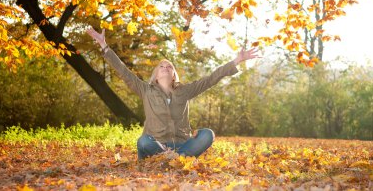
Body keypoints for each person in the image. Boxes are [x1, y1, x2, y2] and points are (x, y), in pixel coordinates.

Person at [87, 27, 260, 160]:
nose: (165, 68)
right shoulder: (145, 90)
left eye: (169, 66)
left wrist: (237, 60)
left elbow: (210, 79)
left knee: (208, 134)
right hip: (156, 144)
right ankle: (172, 157)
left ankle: (173, 158)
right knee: (143, 142)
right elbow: (123, 71)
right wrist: (104, 46)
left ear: (174, 74)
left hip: (181, 144)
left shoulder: (184, 91)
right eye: (161, 66)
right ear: (155, 75)